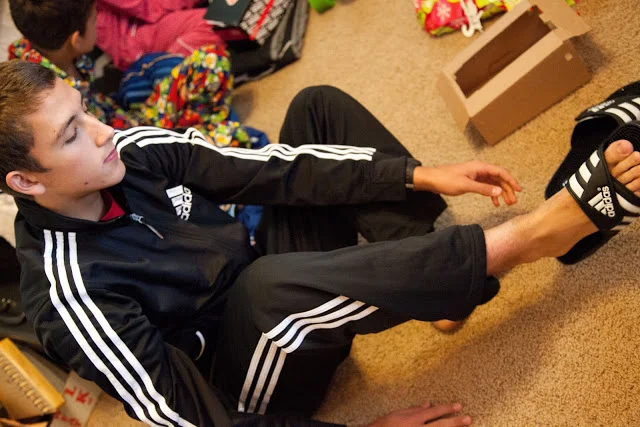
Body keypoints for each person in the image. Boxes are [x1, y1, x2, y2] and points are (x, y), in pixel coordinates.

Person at [3, 60, 639, 427]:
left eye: (85, 110)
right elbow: (197, 421)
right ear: (26, 182)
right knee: (266, 286)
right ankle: (532, 237)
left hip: (266, 279)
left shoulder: (127, 150)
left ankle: (440, 292)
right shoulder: (69, 295)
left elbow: (264, 168)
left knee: (316, 107)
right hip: (253, 382)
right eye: (72, 134)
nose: (103, 131)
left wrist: (416, 174)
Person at [8, 0, 254, 148]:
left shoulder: (36, 46)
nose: (97, 25)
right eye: (94, 21)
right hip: (126, 142)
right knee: (230, 141)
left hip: (121, 111)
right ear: (76, 39)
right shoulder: (49, 101)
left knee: (209, 61)